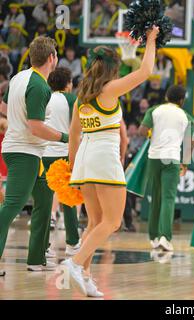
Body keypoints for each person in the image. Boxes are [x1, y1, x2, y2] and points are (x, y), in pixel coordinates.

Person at [63, 27, 159, 297]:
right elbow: (145, 72)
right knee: (113, 221)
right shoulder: (109, 90)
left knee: (95, 222)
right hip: (104, 155)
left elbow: (74, 135)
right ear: (110, 70)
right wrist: (151, 40)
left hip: (84, 158)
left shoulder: (81, 97)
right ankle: (74, 261)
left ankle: (85, 275)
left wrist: (72, 167)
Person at [0, 36, 61, 277]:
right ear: (51, 58)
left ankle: (36, 259)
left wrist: (16, 121)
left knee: (45, 202)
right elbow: (36, 127)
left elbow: (4, 107)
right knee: (11, 206)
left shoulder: (18, 78)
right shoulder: (39, 85)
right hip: (24, 151)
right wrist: (64, 137)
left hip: (32, 151)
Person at [139, 85, 193, 251]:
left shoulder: (154, 110)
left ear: (166, 97)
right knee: (168, 199)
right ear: (182, 100)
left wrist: (152, 134)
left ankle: (153, 237)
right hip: (172, 159)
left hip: (154, 157)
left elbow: (142, 131)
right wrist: (185, 164)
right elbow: (188, 144)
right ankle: (165, 238)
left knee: (155, 198)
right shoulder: (187, 117)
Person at [42, 66, 81, 259]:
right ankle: (72, 243)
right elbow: (77, 130)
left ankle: (44, 247)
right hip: (64, 154)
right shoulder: (72, 99)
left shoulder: (44, 97)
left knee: (44, 202)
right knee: (69, 200)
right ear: (68, 84)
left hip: (43, 154)